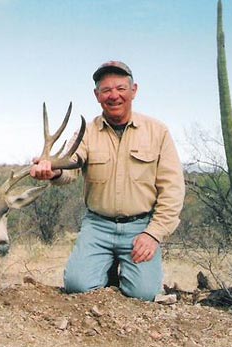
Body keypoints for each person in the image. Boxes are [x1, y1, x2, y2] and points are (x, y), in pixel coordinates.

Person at [30, 61, 185, 301]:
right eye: (106, 90)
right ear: (97, 95)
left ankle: (130, 272)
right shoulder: (87, 132)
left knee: (143, 294)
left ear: (134, 91)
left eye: (121, 88)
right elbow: (71, 167)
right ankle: (107, 268)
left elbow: (172, 190)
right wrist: (53, 171)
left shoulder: (158, 131)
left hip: (140, 227)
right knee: (78, 286)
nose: (114, 96)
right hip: (98, 226)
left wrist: (153, 234)